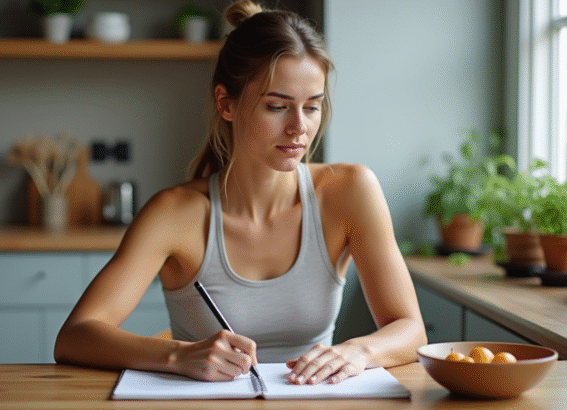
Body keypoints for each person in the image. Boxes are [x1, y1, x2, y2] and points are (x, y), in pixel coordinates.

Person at [54, 0, 427, 386]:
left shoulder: (350, 192)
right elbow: (75, 336)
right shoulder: (174, 213)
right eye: (278, 106)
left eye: (312, 107)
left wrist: (359, 351)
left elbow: (410, 328)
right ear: (226, 104)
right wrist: (179, 355)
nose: (299, 127)